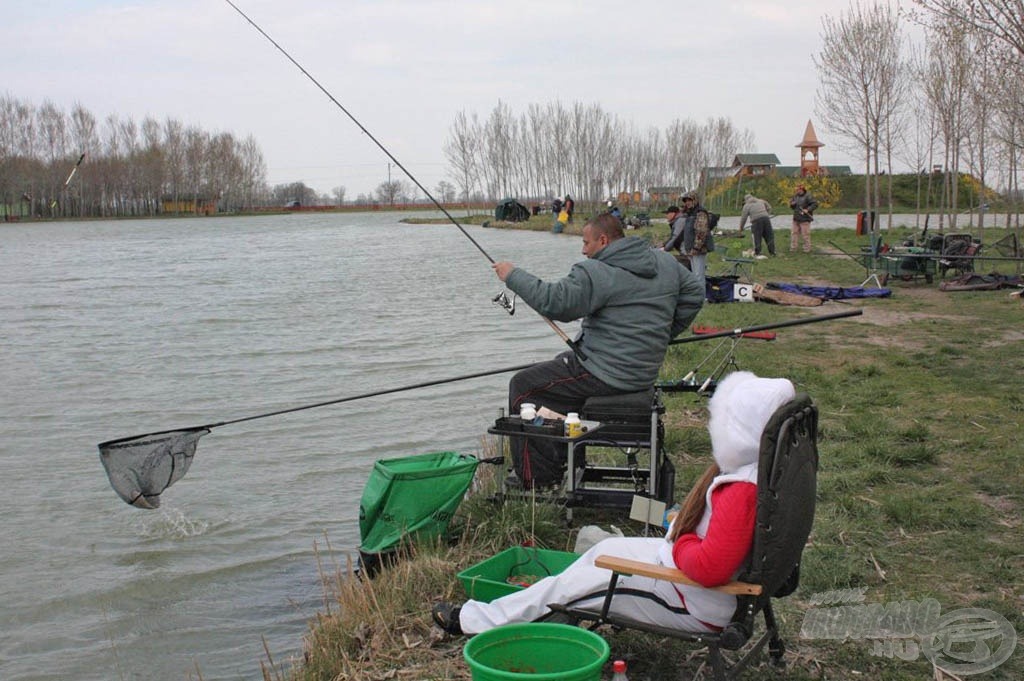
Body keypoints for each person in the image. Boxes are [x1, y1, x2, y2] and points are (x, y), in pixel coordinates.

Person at [432, 371, 797, 636]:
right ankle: (527, 611)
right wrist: (678, 527)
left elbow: (709, 568)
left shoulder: (740, 491)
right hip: (689, 581)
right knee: (602, 549)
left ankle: (477, 623)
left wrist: (682, 538)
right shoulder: (762, 471)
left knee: (572, 588)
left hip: (693, 601)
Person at [491, 213, 705, 488]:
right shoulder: (665, 262)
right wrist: (660, 334)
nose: (583, 250)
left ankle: (535, 480)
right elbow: (694, 296)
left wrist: (513, 275)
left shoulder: (595, 272)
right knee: (560, 364)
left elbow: (555, 303)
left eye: (586, 242)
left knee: (524, 386)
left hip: (607, 373)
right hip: (641, 372)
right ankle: (556, 456)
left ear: (603, 240)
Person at [662, 192, 714, 287]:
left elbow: (701, 232)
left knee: (699, 276)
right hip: (690, 250)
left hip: (698, 250)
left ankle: (700, 298)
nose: (687, 202)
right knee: (694, 275)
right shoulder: (690, 213)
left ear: (695, 200)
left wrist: (696, 248)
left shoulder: (700, 213)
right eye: (686, 201)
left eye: (690, 200)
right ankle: (696, 297)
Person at [737, 193, 776, 258]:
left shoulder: (746, 206)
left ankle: (757, 253)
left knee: (757, 237)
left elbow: (744, 218)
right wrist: (766, 214)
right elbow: (769, 207)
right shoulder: (761, 201)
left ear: (745, 200)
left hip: (756, 222)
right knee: (769, 236)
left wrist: (741, 228)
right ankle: (773, 252)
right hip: (766, 219)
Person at [788, 185, 818, 253]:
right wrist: (792, 204)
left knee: (805, 234)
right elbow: (793, 207)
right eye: (796, 190)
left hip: (805, 219)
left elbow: (815, 204)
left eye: (798, 190)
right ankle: (793, 248)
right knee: (794, 233)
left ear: (802, 190)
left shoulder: (808, 196)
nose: (797, 191)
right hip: (796, 218)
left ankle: (807, 249)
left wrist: (808, 209)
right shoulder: (795, 196)